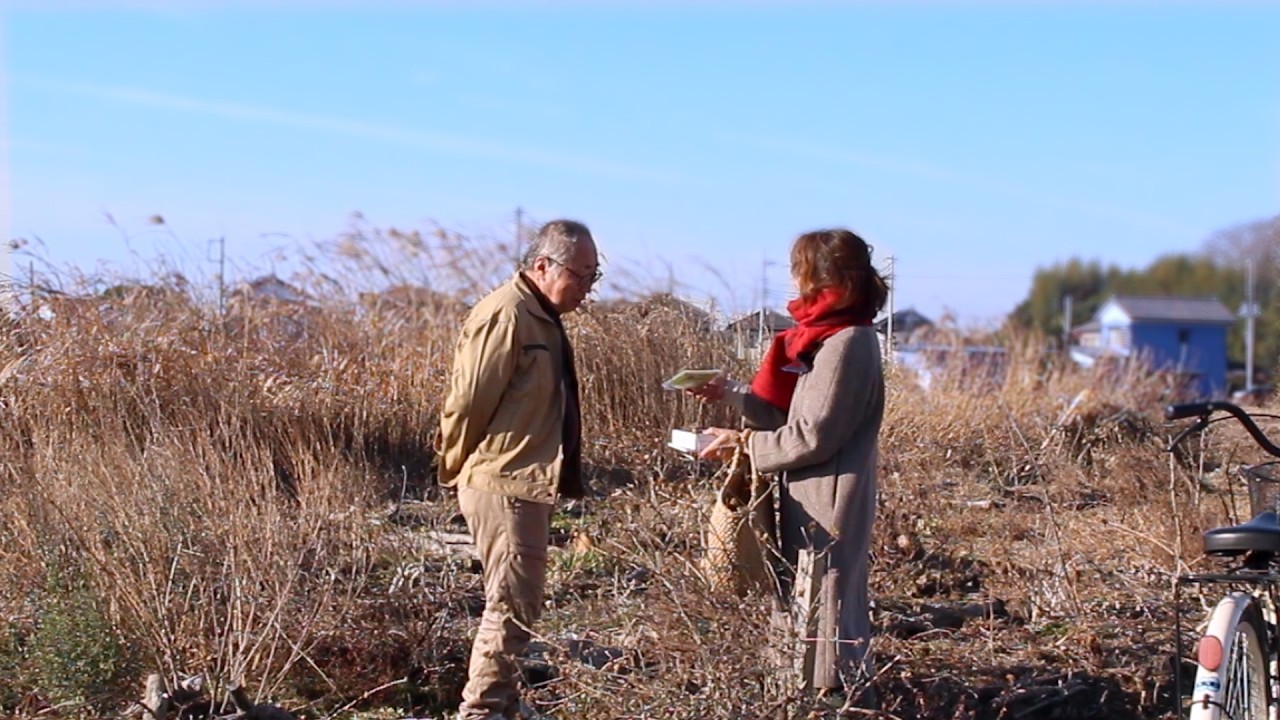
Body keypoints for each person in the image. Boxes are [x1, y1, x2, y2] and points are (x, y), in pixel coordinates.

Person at [691, 228, 887, 700]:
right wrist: (733, 394)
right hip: (813, 492)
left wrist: (744, 445)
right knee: (805, 594)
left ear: (828, 279)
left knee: (826, 596)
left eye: (803, 272)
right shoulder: (824, 338)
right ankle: (804, 690)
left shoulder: (847, 344)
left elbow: (812, 434)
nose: (797, 284)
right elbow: (790, 413)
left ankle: (833, 697)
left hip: (829, 499)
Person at [437, 219, 600, 720]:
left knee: (519, 605)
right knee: (509, 606)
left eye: (595, 276)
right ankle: (482, 711)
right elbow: (467, 403)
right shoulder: (506, 314)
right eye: (580, 275)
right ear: (542, 266)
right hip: (503, 481)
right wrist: (455, 464)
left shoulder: (541, 316)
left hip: (523, 481)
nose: (587, 289)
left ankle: (501, 705)